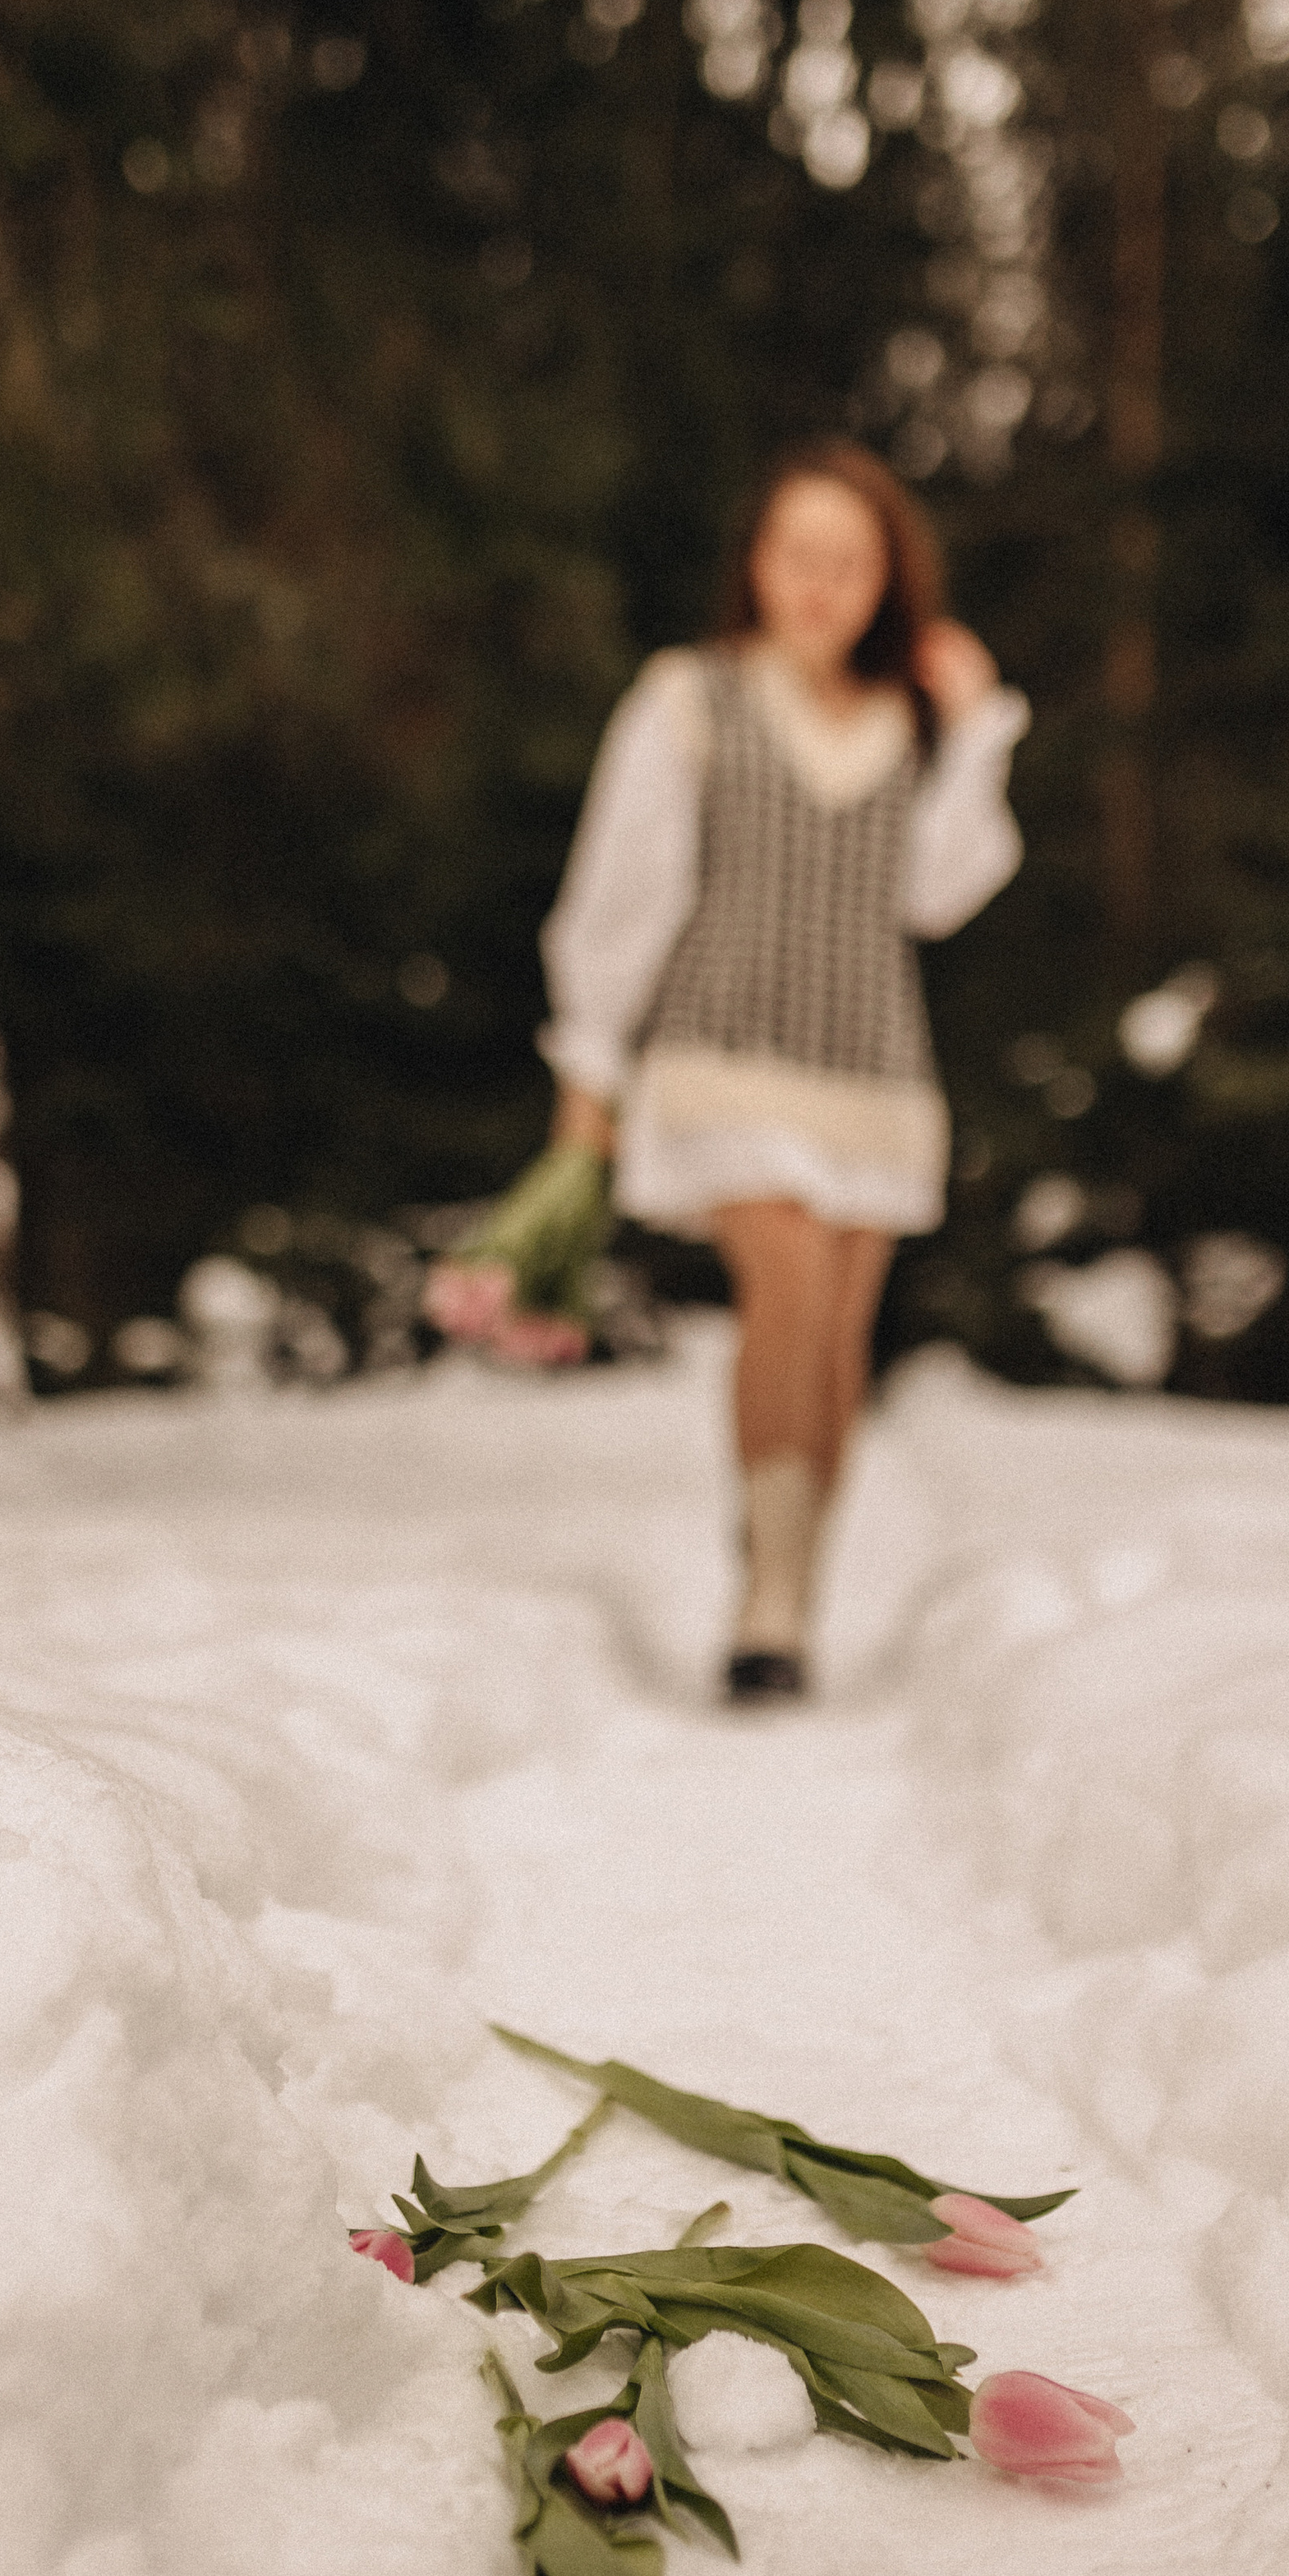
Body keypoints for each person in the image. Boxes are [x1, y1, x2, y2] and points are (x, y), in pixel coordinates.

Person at [538, 438, 1028, 1701]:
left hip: (870, 1063)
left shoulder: (909, 721)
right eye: (797, 554)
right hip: (723, 1047)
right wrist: (589, 1060)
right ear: (757, 563)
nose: (820, 584)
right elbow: (621, 890)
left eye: (849, 562)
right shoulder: (687, 700)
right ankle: (765, 1601)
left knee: (841, 1338)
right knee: (790, 1288)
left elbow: (940, 891)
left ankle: (789, 1581)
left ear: (886, 582)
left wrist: (978, 733)